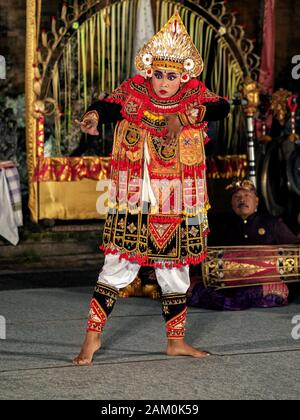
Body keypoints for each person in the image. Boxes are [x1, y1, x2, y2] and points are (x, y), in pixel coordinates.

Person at [73, 13, 230, 365]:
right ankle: (91, 340)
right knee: (116, 267)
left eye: (171, 76)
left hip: (175, 199)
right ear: (150, 72)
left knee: (175, 269)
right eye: (158, 74)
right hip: (135, 199)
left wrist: (185, 117)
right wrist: (94, 117)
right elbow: (106, 105)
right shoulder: (135, 90)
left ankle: (176, 342)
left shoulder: (193, 95)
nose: (163, 83)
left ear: (183, 76)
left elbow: (223, 107)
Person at [188, 179, 299, 310]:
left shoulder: (272, 223)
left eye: (247, 196)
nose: (242, 200)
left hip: (261, 283)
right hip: (228, 283)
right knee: (192, 288)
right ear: (232, 203)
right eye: (237, 197)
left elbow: (295, 247)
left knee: (270, 291)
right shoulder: (221, 226)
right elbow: (205, 254)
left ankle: (234, 301)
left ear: (256, 201)